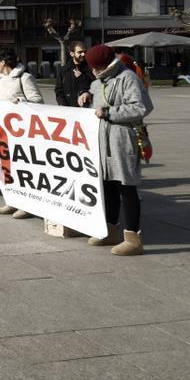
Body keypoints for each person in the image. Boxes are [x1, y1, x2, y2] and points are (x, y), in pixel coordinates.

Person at [81, 44, 153, 255]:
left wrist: (109, 112)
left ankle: (133, 239)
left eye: (95, 68)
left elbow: (142, 107)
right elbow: (95, 107)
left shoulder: (127, 77)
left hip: (123, 139)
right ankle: (111, 229)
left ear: (103, 66)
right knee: (108, 185)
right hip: (102, 140)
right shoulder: (97, 82)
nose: (93, 72)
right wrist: (85, 97)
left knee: (126, 186)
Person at [0, 48, 43, 207]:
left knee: (22, 170)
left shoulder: (24, 78)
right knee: (7, 167)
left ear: (3, 62)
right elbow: (2, 102)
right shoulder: (1, 80)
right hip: (3, 132)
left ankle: (25, 205)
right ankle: (12, 201)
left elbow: (38, 101)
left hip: (21, 132)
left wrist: (21, 101)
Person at [55, 42, 93, 108]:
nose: (83, 54)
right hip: (68, 110)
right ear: (72, 54)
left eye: (85, 52)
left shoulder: (91, 68)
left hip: (86, 109)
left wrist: (82, 78)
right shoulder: (64, 70)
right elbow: (59, 91)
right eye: (80, 52)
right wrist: (63, 106)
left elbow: (95, 87)